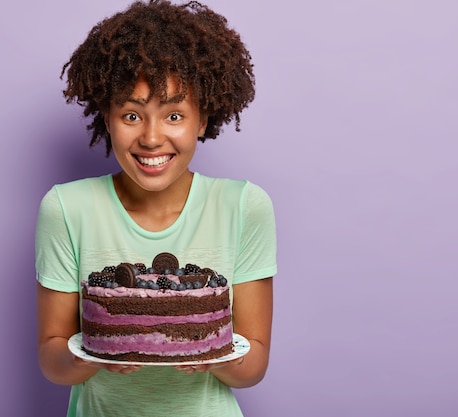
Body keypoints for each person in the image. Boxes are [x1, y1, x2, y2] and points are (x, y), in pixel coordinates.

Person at [35, 1, 277, 416]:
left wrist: (213, 355)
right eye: (131, 114)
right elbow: (52, 357)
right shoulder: (65, 207)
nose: (151, 137)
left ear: (202, 120)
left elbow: (253, 365)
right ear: (107, 118)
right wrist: (91, 356)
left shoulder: (243, 205)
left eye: (174, 115)